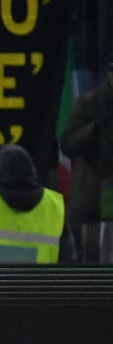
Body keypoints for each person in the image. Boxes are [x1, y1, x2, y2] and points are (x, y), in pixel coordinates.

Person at [60, 57, 113, 261]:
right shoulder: (89, 103)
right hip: (90, 199)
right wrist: (94, 129)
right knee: (90, 259)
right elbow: (68, 144)